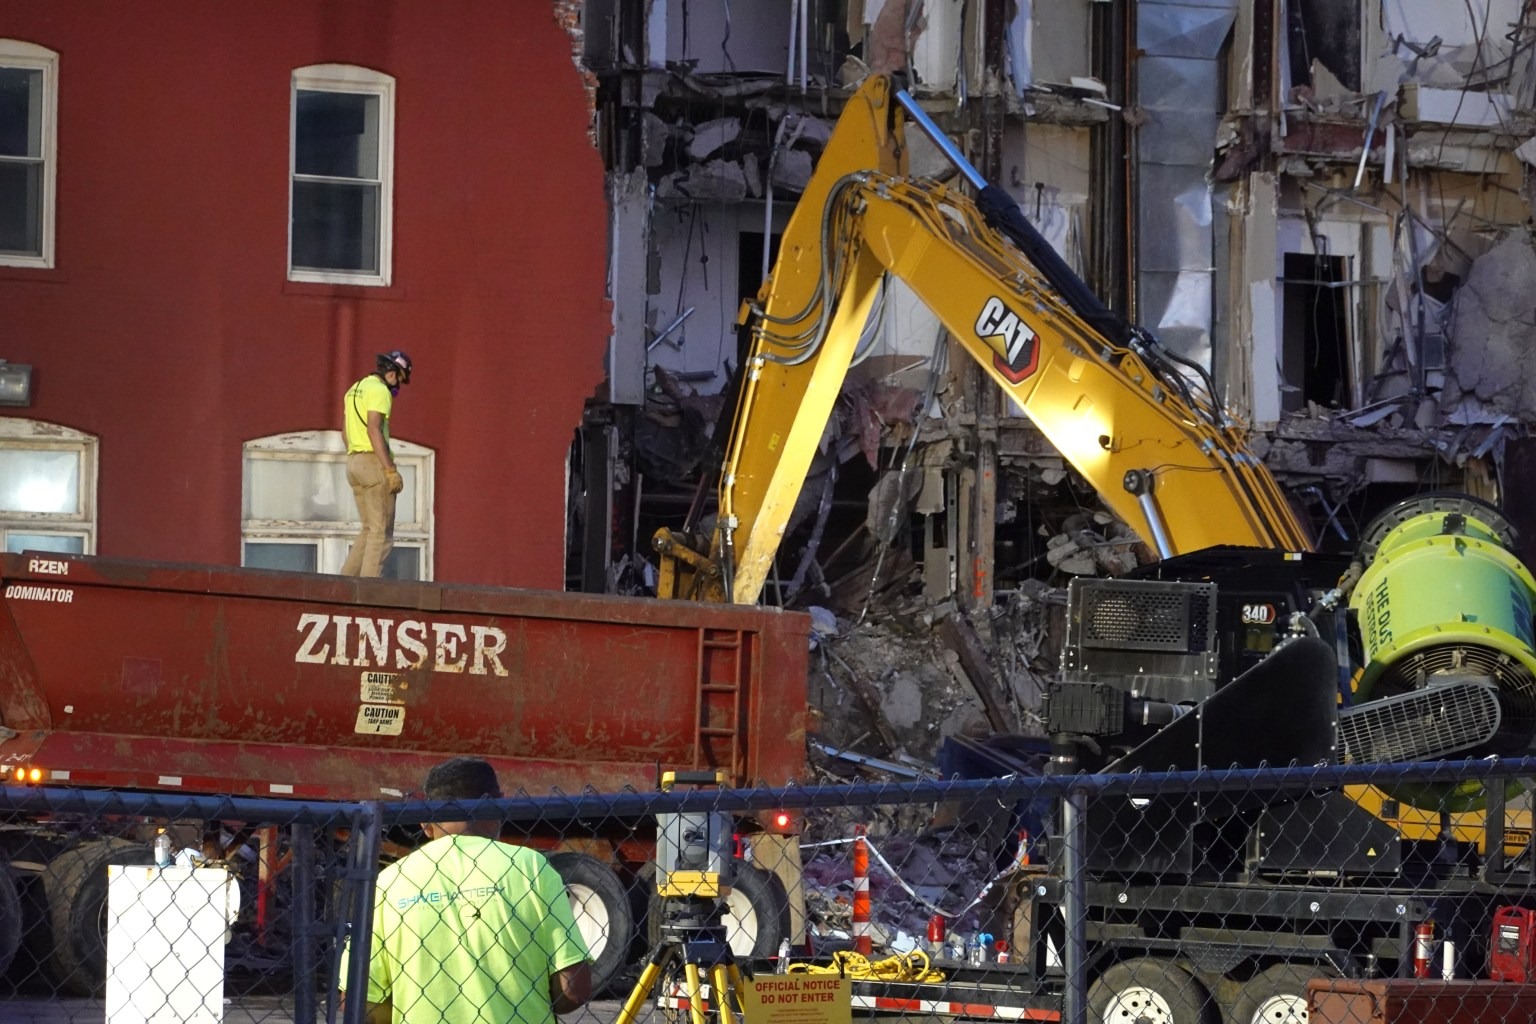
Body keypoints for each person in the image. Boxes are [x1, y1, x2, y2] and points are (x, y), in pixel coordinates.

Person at [343, 757, 592, 1024]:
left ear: (426, 820)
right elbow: (573, 988)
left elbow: (358, 998)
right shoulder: (530, 867)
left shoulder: (391, 881)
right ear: (499, 803)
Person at [340, 350, 412, 578]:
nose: (397, 386)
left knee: (368, 529)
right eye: (400, 380)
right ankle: (368, 590)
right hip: (373, 462)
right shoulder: (380, 391)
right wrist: (389, 470)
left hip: (353, 462)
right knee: (381, 533)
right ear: (393, 374)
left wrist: (357, 459)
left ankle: (343, 586)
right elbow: (374, 429)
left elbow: (345, 432)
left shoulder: (355, 388)